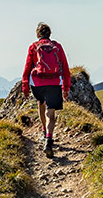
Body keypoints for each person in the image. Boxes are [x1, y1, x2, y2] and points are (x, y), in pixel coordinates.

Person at [21, 22, 71, 157]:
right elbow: (65, 68)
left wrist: (25, 86)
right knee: (51, 113)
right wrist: (66, 88)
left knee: (41, 104)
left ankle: (44, 131)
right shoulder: (57, 47)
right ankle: (49, 138)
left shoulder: (34, 47)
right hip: (54, 82)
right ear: (50, 34)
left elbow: (27, 67)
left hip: (37, 83)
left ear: (38, 34)